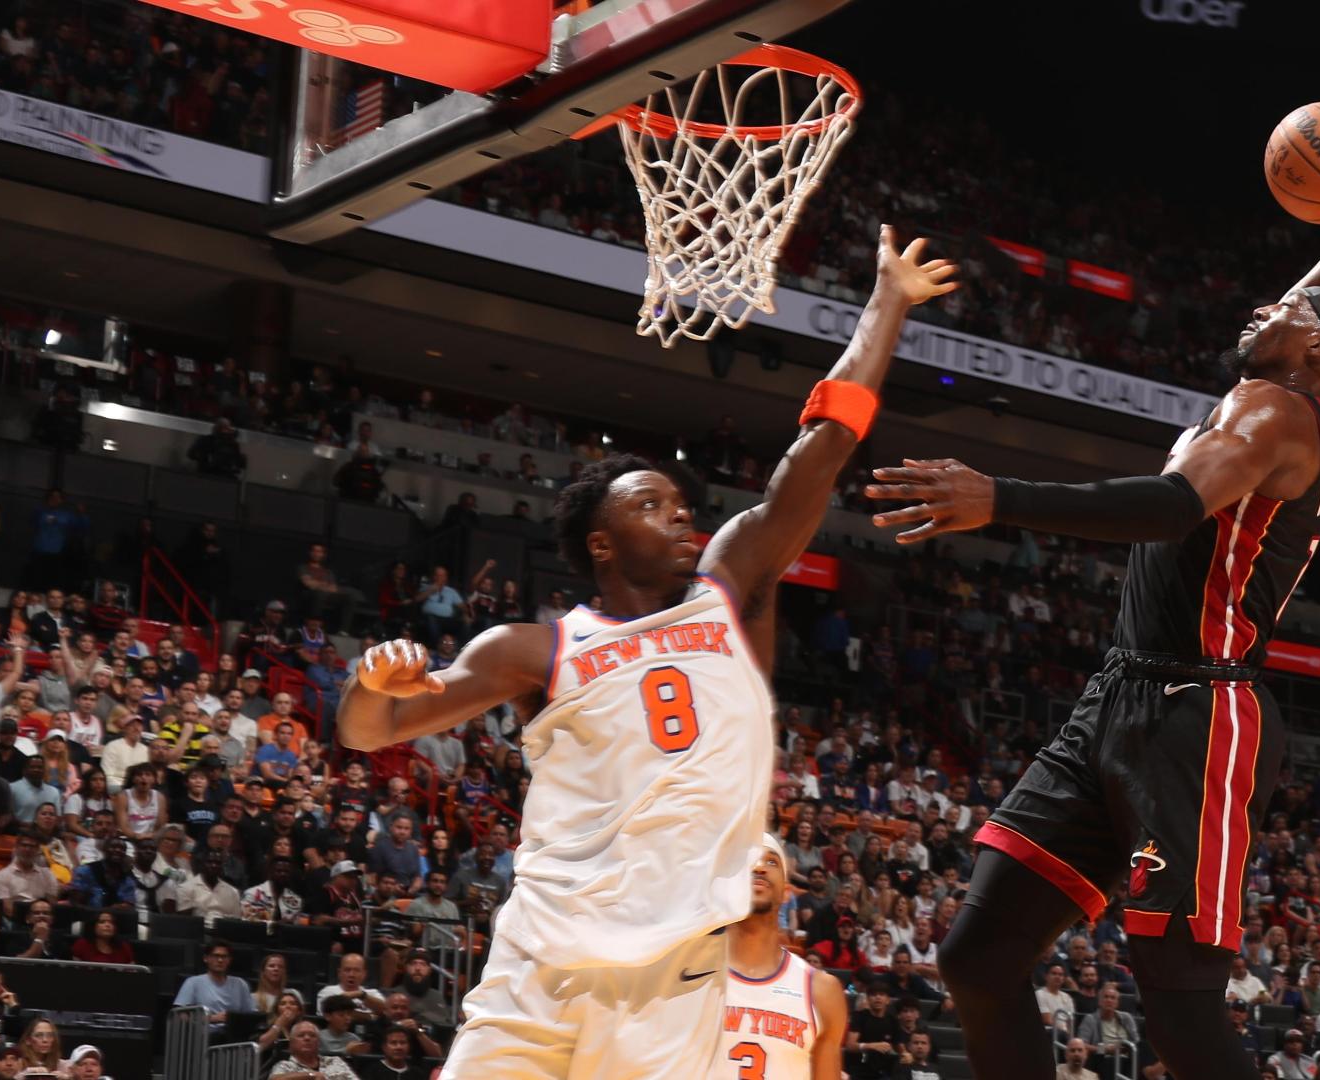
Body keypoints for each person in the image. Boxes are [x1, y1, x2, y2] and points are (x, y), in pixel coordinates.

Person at [339, 229, 955, 1080]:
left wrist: (887, 302)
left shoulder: (728, 592)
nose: (681, 517)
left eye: (681, 506)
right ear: (599, 542)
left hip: (675, 975)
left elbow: (822, 448)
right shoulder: (536, 648)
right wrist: (368, 682)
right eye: (652, 505)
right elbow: (371, 732)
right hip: (541, 963)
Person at [865, 167, 1320, 1080]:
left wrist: (999, 497)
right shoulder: (1289, 391)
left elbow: (1167, 505)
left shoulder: (1273, 411)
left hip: (1197, 714)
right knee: (978, 956)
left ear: (1314, 355)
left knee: (1177, 1001)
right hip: (1126, 693)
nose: (1263, 309)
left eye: (1285, 310)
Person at [715, 834, 847, 1080]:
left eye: (771, 862)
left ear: (787, 892)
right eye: (749, 861)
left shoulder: (821, 990)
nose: (760, 867)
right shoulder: (689, 977)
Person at [174, 939, 256, 1033]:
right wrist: (212, 1018)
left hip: (233, 1033)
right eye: (216, 956)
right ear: (206, 958)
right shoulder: (193, 982)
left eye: (224, 957)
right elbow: (180, 1014)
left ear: (229, 960)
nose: (220, 960)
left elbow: (251, 1015)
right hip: (204, 1034)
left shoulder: (240, 984)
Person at [268, 1019, 360, 1079]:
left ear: (318, 1042)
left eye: (312, 1035)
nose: (307, 1038)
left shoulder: (335, 1061)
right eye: (301, 1035)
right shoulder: (285, 1066)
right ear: (291, 1043)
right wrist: (310, 1075)